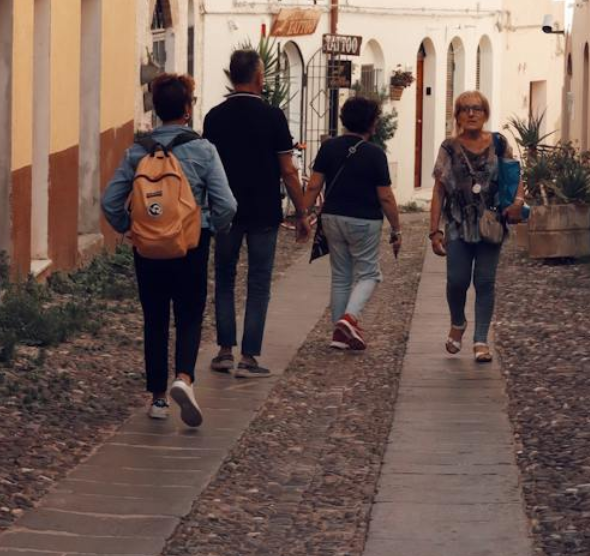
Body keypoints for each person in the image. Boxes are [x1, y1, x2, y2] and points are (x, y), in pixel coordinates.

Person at [101, 73, 236, 426]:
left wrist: (130, 229)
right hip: (191, 243)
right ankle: (184, 378)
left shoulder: (137, 152)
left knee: (155, 317)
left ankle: (158, 399)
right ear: (188, 109)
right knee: (189, 313)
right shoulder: (204, 150)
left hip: (148, 247)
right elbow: (227, 204)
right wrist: (212, 226)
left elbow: (111, 202)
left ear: (157, 110)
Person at [203, 49, 311, 377]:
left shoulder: (214, 117)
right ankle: (249, 358)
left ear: (231, 76)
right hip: (263, 210)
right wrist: (302, 212)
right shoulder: (273, 117)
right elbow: (288, 171)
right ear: (259, 77)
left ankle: (224, 351)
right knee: (259, 281)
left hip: (225, 211)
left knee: (224, 277)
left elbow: (208, 168)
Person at [428, 89, 526, 363]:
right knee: (457, 281)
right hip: (458, 224)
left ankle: (481, 339)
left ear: (485, 114)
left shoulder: (498, 143)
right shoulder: (449, 147)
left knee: (485, 281)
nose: (471, 113)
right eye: (465, 109)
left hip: (491, 222)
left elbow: (514, 175)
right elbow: (439, 190)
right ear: (458, 115)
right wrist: (434, 230)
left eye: (477, 109)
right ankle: (458, 322)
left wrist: (518, 201)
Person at [303, 94, 402, 351]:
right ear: (371, 123)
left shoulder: (329, 147)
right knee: (370, 274)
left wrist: (304, 213)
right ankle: (349, 319)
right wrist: (396, 227)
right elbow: (386, 197)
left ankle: (339, 334)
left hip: (332, 218)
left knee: (340, 275)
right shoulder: (375, 154)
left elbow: (314, 185)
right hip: (364, 220)